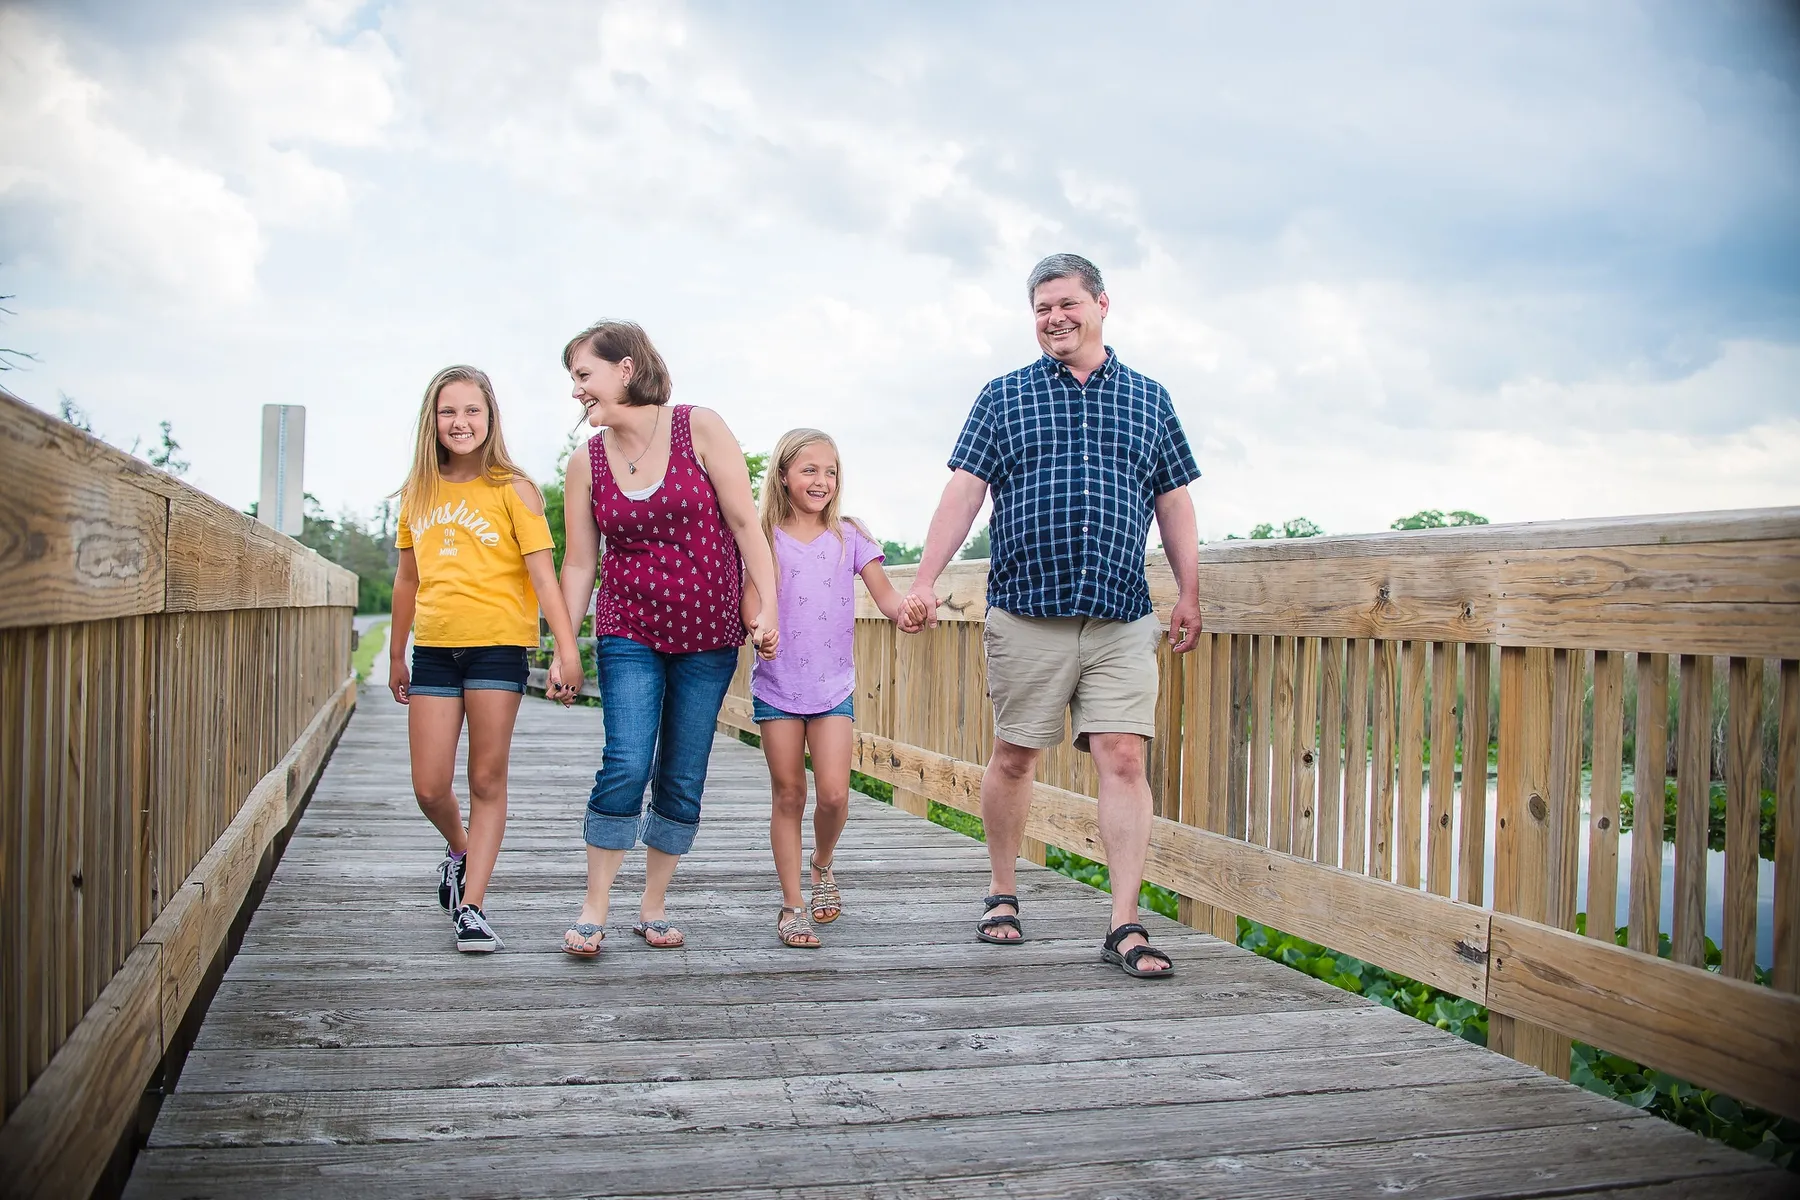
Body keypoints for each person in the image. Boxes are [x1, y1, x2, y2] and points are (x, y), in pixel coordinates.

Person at [900, 253, 1203, 979]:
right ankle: (1002, 891)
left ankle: (1124, 922)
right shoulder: (1003, 397)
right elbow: (964, 492)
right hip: (1027, 609)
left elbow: (1174, 502)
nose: (1054, 319)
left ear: (1102, 304)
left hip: (1120, 609)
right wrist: (927, 580)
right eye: (1041, 309)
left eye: (1066, 303)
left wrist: (1190, 592)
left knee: (1123, 757)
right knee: (1015, 754)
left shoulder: (1149, 399)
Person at [554, 320, 780, 957]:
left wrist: (769, 609)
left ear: (625, 369)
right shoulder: (586, 462)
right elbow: (579, 563)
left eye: (583, 375)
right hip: (630, 627)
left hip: (709, 633)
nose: (576, 392)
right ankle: (594, 905)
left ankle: (652, 907)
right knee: (626, 759)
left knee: (682, 772)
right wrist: (566, 648)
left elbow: (745, 524)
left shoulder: (697, 427)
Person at [388, 365, 585, 953]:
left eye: (473, 410)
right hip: (435, 650)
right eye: (450, 411)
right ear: (433, 419)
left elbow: (546, 581)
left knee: (485, 778)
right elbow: (405, 580)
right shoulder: (417, 493)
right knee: (429, 786)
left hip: (498, 646)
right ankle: (460, 848)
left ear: (490, 417)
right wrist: (397, 653)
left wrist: (566, 650)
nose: (461, 422)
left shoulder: (514, 489)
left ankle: (472, 905)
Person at [744, 429, 925, 948]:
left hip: (832, 685)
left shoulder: (850, 535)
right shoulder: (763, 536)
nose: (822, 480)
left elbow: (887, 597)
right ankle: (792, 903)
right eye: (809, 470)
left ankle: (822, 864)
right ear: (783, 475)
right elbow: (751, 603)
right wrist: (760, 629)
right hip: (778, 685)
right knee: (789, 794)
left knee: (834, 793)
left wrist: (907, 611)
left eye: (830, 471)